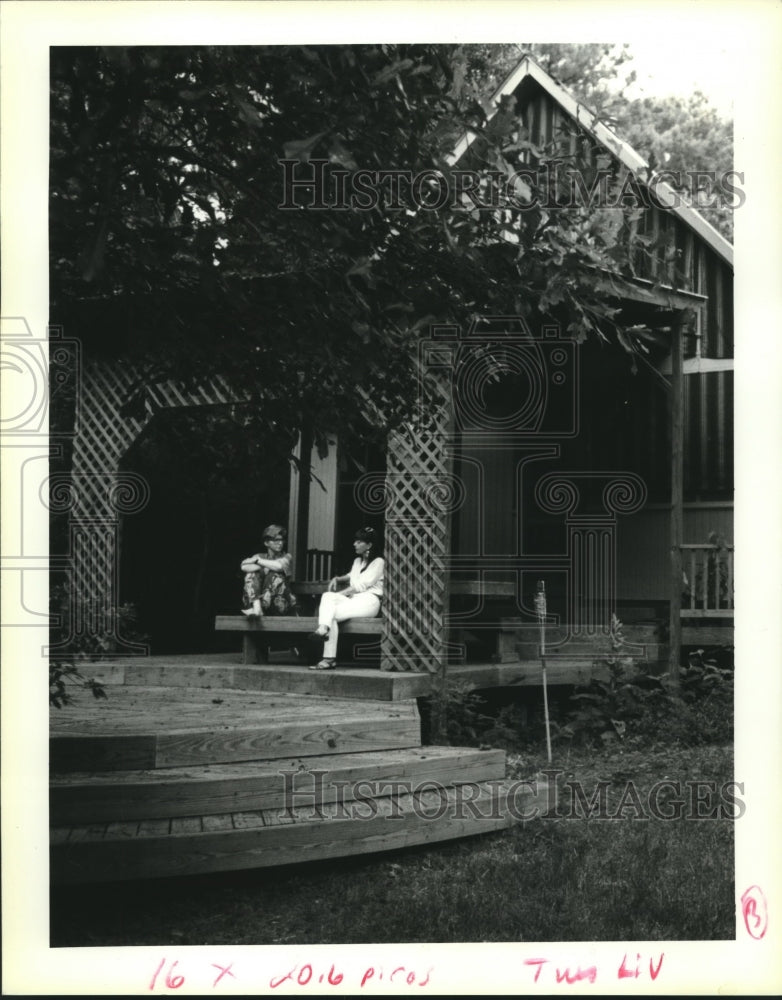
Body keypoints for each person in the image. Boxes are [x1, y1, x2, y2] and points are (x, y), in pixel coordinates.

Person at [309, 527, 384, 670]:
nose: (355, 544)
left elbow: (361, 584)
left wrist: (340, 594)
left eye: (359, 541)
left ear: (369, 545)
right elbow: (352, 575)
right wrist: (338, 578)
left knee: (330, 609)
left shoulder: (379, 562)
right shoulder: (357, 561)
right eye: (355, 541)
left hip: (370, 602)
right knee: (327, 597)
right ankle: (324, 630)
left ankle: (328, 655)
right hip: (354, 600)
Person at [240, 524, 299, 617]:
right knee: (251, 574)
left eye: (281, 540)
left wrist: (258, 562)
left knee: (275, 574)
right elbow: (244, 566)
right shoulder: (260, 556)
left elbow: (279, 566)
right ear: (266, 543)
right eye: (276, 540)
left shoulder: (286, 556)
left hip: (279, 602)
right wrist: (266, 565)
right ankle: (257, 607)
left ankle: (257, 608)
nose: (280, 543)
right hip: (260, 601)